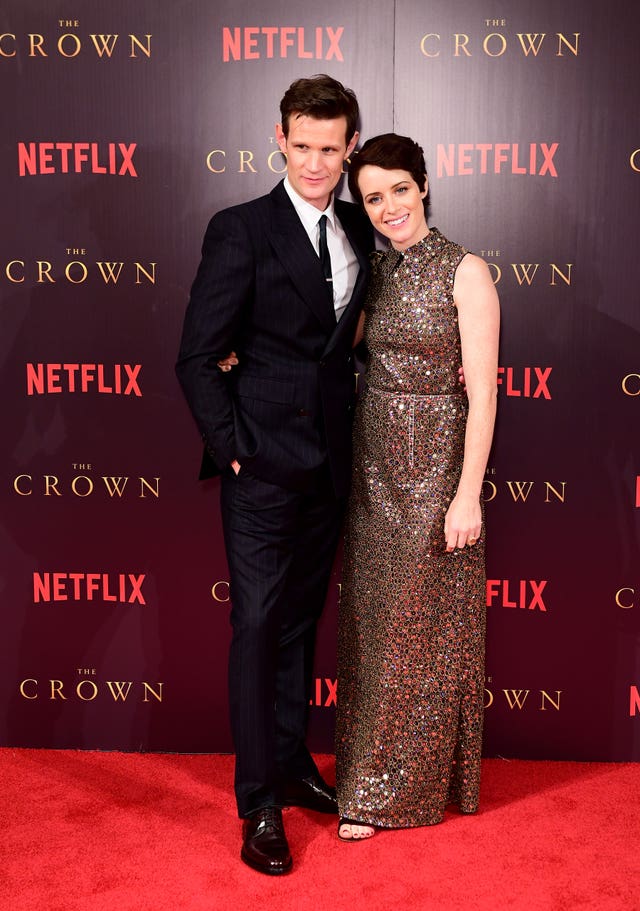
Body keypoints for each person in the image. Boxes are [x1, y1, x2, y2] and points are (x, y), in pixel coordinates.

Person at [175, 75, 374, 875]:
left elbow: (362, 338)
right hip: (260, 466)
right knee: (257, 629)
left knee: (298, 625)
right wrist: (233, 448)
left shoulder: (363, 227)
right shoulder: (241, 229)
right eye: (305, 145)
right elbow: (195, 357)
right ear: (280, 139)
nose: (318, 161)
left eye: (333, 147)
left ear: (350, 146)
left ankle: (293, 765)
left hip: (331, 462)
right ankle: (259, 800)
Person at [334, 133, 500, 841]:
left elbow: (486, 397)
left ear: (424, 184)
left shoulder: (466, 271)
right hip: (372, 469)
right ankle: (364, 777)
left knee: (425, 635)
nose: (389, 206)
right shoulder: (373, 273)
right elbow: (335, 348)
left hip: (436, 473)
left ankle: (394, 793)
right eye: (373, 196)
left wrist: (468, 494)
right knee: (372, 632)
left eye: (399, 188)